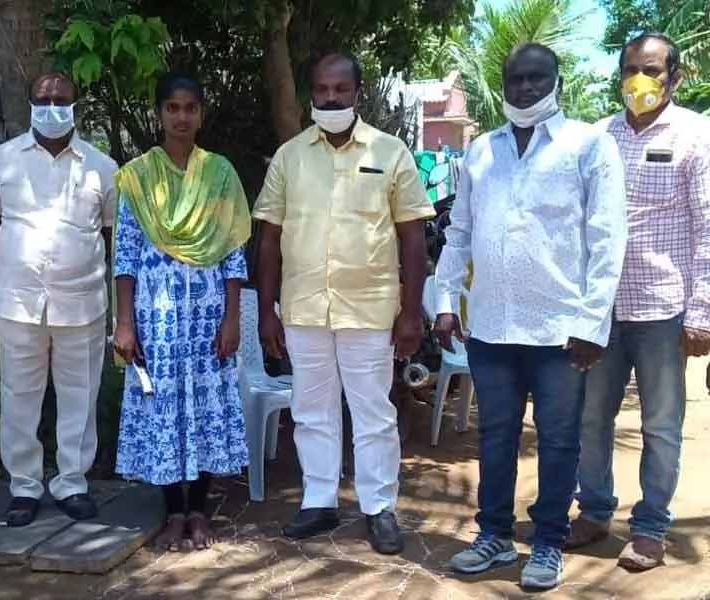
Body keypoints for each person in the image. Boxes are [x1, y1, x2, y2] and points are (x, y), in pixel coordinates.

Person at [434, 43, 627, 589]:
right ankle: (494, 536)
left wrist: (592, 324)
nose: (523, 89)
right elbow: (460, 231)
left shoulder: (589, 146)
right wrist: (446, 301)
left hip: (561, 331)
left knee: (559, 439)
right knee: (494, 436)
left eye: (535, 79)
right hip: (492, 326)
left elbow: (608, 240)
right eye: (514, 79)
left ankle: (545, 543)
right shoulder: (481, 152)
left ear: (556, 81)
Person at [253, 53, 432, 554]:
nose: (330, 98)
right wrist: (266, 309)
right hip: (304, 307)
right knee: (311, 409)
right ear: (312, 92)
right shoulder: (290, 156)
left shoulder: (390, 151)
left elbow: (412, 237)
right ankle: (319, 500)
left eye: (340, 89)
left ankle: (379, 507)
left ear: (358, 92)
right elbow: (269, 237)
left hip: (369, 308)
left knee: (373, 410)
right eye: (322, 89)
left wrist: (411, 311)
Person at [569, 32, 710, 571]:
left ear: (674, 77)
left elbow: (706, 230)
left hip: (663, 308)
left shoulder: (695, 136)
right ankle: (596, 511)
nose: (639, 80)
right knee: (591, 419)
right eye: (630, 68)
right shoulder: (599, 137)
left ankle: (650, 527)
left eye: (651, 69)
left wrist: (700, 313)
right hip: (602, 309)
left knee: (660, 424)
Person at [113, 73, 250, 551]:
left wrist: (232, 318)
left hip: (209, 315)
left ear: (201, 113)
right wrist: (125, 322)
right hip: (156, 317)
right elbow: (125, 256)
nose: (182, 116)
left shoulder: (220, 175)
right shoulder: (137, 177)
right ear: (159, 113)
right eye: (172, 107)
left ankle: (200, 511)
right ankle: (172, 512)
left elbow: (234, 254)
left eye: (191, 107)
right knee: (163, 410)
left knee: (206, 410)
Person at [0, 72, 117, 526]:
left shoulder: (103, 167)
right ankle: (25, 486)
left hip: (84, 302)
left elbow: (111, 235)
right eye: (42, 99)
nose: (51, 106)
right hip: (19, 302)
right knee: (20, 395)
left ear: (76, 104)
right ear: (28, 103)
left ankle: (72, 482)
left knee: (80, 395)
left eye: (60, 99)